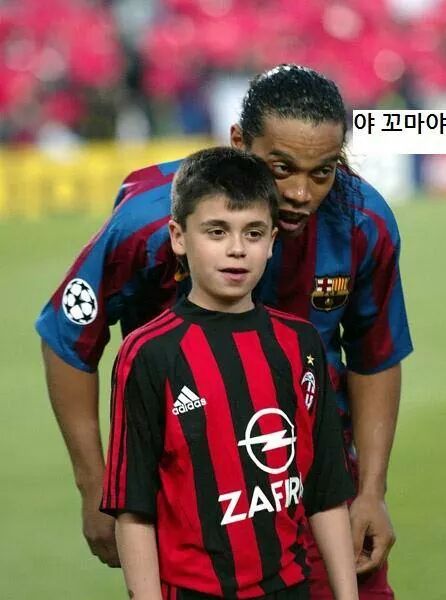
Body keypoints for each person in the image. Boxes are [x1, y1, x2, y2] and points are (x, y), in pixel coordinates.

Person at [36, 64, 413, 599]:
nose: (300, 192)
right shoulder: (153, 220)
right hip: (191, 494)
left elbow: (374, 355)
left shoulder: (362, 221)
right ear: (239, 142)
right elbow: (68, 337)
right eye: (281, 167)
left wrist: (372, 491)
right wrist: (94, 486)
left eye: (323, 172)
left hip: (311, 482)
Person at [100, 146, 358, 600]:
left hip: (292, 588)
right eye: (217, 231)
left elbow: (325, 493)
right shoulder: (148, 353)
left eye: (253, 233)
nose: (237, 249)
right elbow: (134, 509)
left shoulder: (300, 344)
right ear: (179, 237)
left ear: (272, 241)